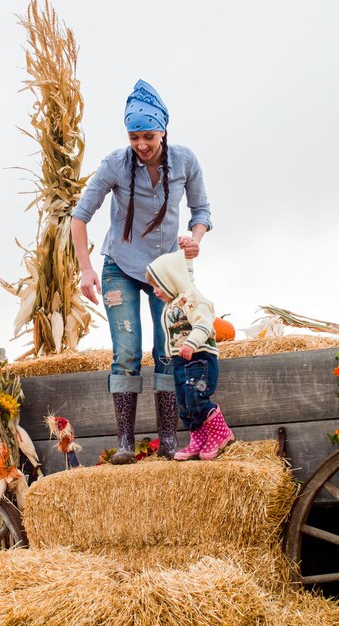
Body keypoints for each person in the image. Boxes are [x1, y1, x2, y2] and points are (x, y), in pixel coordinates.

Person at [71, 79, 212, 464]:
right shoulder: (115, 165)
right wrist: (86, 270)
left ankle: (168, 440)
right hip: (120, 268)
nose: (142, 144)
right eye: (135, 137)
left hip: (165, 271)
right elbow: (79, 217)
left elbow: (202, 212)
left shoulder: (185, 161)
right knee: (127, 350)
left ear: (163, 131)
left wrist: (195, 238)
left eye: (148, 135)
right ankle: (125, 445)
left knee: (167, 348)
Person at [146, 249, 235, 460]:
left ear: (170, 280)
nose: (155, 291)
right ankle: (199, 440)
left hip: (198, 358)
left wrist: (191, 343)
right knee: (184, 404)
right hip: (180, 360)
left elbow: (204, 323)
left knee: (197, 398)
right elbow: (185, 274)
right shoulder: (173, 303)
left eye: (157, 285)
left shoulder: (189, 297)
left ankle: (221, 433)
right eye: (152, 287)